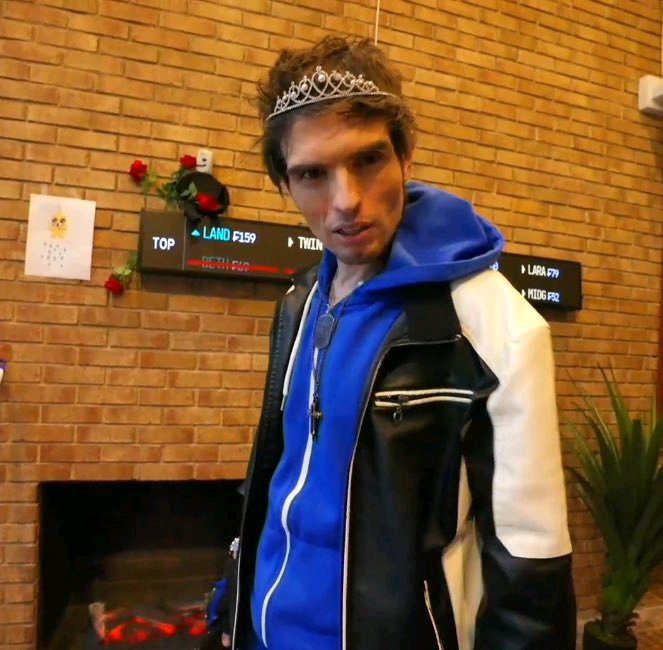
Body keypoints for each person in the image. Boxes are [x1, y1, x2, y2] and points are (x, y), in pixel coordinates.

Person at [230, 35, 576, 650]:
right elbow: (280, 478)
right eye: (311, 174)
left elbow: (531, 556)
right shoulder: (300, 300)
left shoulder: (491, 321)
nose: (345, 201)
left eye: (367, 160)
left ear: (405, 157)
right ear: (286, 184)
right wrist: (237, 606)